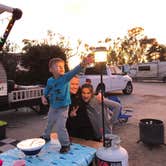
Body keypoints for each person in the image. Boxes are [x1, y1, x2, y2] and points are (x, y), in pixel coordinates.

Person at [40, 57, 90, 153]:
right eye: (58, 66)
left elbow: (74, 71)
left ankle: (65, 144)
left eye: (62, 66)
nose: (61, 68)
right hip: (53, 106)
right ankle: (46, 137)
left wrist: (83, 64)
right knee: (49, 122)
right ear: (51, 70)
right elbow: (47, 89)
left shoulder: (66, 77)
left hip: (63, 107)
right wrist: (43, 96)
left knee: (60, 127)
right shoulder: (50, 80)